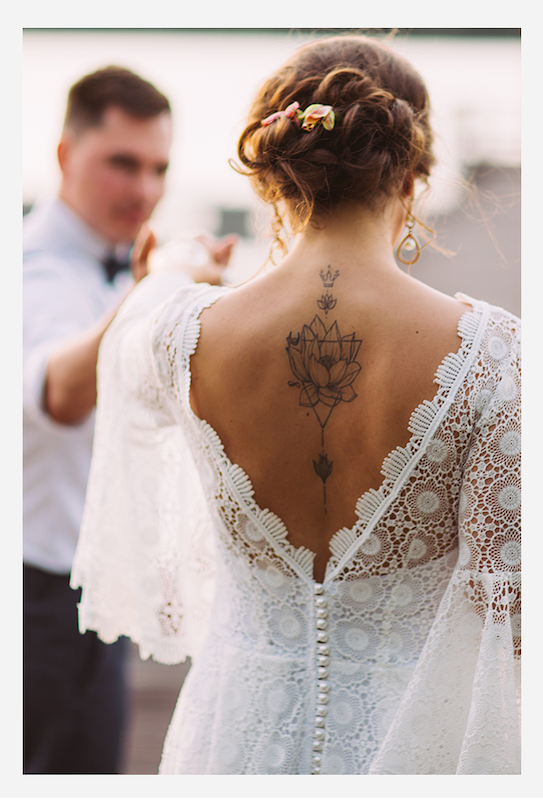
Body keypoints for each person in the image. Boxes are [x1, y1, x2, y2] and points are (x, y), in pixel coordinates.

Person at [71, 35, 521, 774]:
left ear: (272, 172)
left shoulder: (173, 335)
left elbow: (131, 329)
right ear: (412, 174)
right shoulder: (497, 357)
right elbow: (509, 620)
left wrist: (175, 266)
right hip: (417, 749)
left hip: (232, 740)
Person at [23, 65, 235, 774]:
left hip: (95, 591)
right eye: (121, 163)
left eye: (158, 169)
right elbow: (60, 394)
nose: (142, 190)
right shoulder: (28, 268)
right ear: (63, 155)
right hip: (33, 600)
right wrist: (158, 289)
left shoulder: (120, 265)